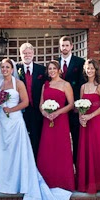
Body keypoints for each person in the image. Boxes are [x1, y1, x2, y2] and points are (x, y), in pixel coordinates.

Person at [0, 58, 72, 200]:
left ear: (12, 69)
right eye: (2, 67)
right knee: (1, 152)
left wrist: (11, 110)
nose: (5, 69)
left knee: (17, 152)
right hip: (1, 121)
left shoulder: (18, 84)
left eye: (7, 67)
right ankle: (0, 182)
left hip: (15, 120)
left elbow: (25, 102)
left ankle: (17, 181)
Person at [76, 59, 100, 194]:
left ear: (96, 70)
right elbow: (80, 105)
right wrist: (81, 118)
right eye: (88, 68)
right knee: (87, 151)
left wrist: (90, 116)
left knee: (98, 150)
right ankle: (87, 183)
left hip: (98, 122)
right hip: (85, 124)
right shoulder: (83, 87)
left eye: (92, 68)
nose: (90, 71)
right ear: (85, 70)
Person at [36, 60, 76, 191]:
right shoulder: (45, 85)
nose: (52, 71)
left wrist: (57, 113)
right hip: (48, 121)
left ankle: (63, 181)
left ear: (59, 70)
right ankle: (47, 180)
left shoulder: (66, 85)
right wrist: (45, 113)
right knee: (47, 149)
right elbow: (41, 104)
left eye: (54, 68)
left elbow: (71, 104)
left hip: (61, 121)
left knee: (61, 149)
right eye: (49, 69)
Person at [58, 36, 85, 165]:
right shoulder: (55, 63)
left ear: (72, 46)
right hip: (59, 108)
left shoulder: (80, 62)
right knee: (61, 138)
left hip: (74, 107)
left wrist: (78, 104)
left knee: (76, 137)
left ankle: (76, 164)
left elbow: (82, 84)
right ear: (60, 47)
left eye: (67, 45)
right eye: (62, 45)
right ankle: (64, 164)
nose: (65, 48)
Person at [16, 42, 47, 157]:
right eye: (24, 53)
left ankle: (36, 163)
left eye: (29, 53)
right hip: (20, 110)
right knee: (22, 138)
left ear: (33, 54)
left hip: (37, 110)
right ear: (20, 54)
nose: (27, 55)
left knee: (36, 137)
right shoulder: (16, 68)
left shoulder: (41, 70)